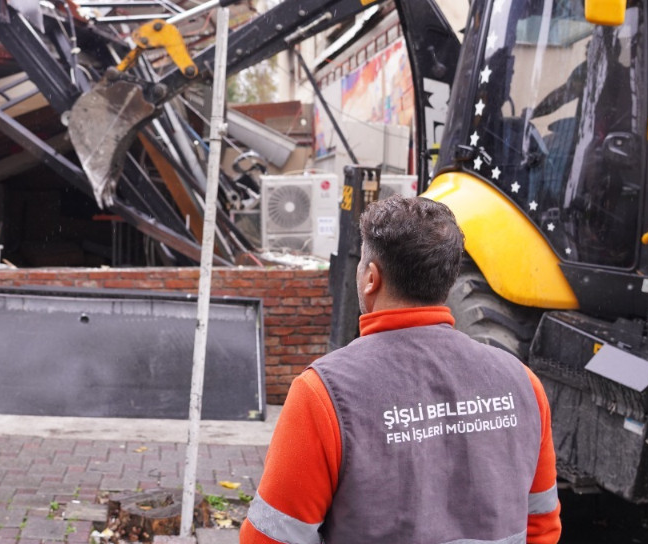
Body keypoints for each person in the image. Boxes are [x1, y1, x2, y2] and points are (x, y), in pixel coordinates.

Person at [240, 196, 561, 544]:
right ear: (446, 280)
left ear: (370, 279)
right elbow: (542, 526)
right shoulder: (522, 383)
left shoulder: (323, 394)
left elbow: (270, 538)